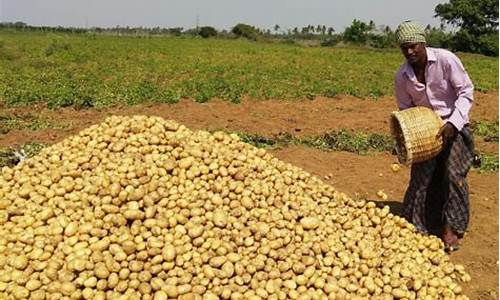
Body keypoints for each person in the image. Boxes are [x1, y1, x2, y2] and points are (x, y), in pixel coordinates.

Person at [394, 20, 475, 251]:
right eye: (404, 48)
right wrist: (406, 137)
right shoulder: (402, 76)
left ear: (423, 42)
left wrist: (453, 122)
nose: (410, 52)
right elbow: (405, 110)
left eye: (413, 46)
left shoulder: (446, 60)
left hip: (454, 125)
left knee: (453, 175)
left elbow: (466, 92)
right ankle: (419, 225)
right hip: (424, 131)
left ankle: (451, 229)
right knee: (421, 179)